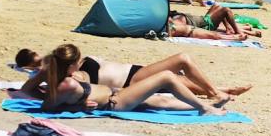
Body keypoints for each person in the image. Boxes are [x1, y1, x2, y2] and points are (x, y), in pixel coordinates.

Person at [36, 44, 228, 116]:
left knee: (163, 102)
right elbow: (47, 108)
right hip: (115, 102)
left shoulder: (64, 79)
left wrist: (76, 105)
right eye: (77, 62)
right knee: (167, 77)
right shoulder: (67, 83)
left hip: (117, 95)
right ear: (70, 66)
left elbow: (51, 104)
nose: (80, 64)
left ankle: (210, 104)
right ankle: (206, 109)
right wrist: (78, 108)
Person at [15, 48, 251, 104]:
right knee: (182, 62)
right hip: (130, 82)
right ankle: (216, 92)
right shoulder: (70, 76)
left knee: (179, 77)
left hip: (133, 72)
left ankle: (221, 88)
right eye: (33, 60)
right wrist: (46, 94)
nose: (39, 58)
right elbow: (26, 90)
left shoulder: (60, 58)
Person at [167, 10, 252, 41]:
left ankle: (229, 28)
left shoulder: (170, 18)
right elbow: (184, 28)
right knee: (226, 10)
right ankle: (237, 31)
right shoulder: (172, 24)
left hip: (203, 19)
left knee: (217, 6)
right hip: (205, 23)